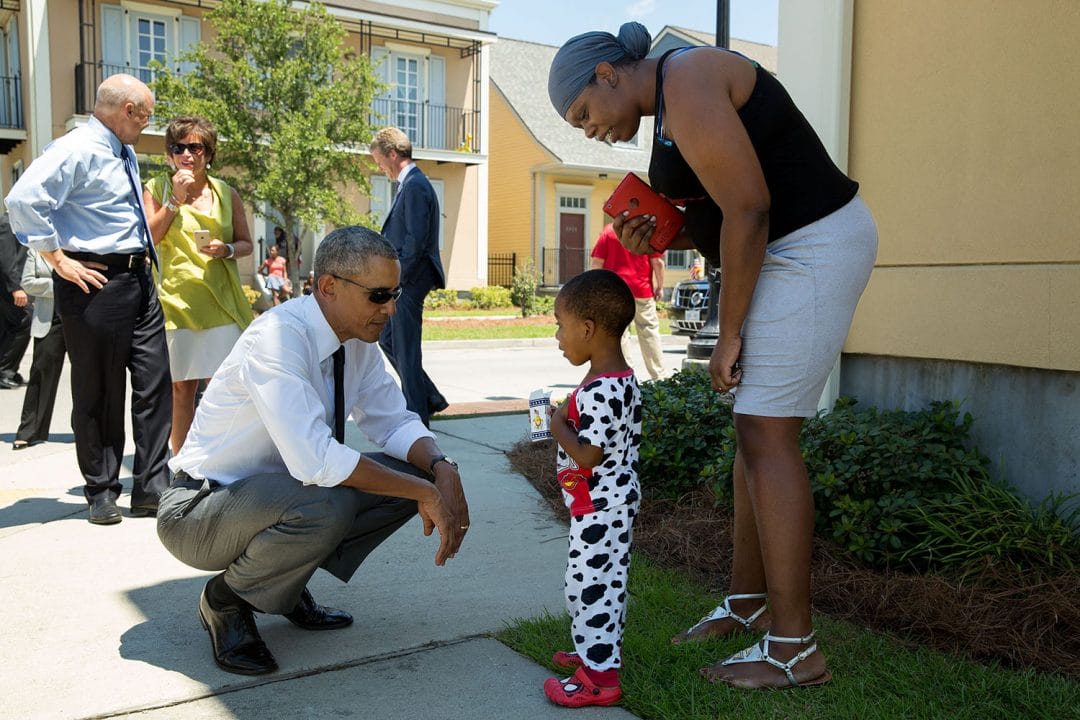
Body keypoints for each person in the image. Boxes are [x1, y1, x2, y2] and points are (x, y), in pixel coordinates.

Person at [549, 23, 878, 690]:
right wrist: (662, 231)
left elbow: (752, 209)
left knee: (767, 433)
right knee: (750, 433)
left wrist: (727, 335)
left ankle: (795, 651)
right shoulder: (671, 103)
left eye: (584, 112)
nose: (587, 129)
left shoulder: (689, 77)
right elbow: (725, 209)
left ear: (608, 73)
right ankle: (749, 601)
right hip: (786, 254)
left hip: (811, 248)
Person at [157, 225, 470, 676]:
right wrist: (425, 495)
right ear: (328, 287)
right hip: (198, 509)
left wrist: (441, 469)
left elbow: (394, 421)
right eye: (379, 295)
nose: (391, 308)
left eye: (395, 293)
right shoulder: (278, 338)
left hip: (276, 499)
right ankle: (225, 602)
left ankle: (282, 583)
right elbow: (316, 460)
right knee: (328, 500)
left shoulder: (355, 342)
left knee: (413, 477)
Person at [5, 73, 172, 525]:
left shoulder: (125, 151)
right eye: (147, 116)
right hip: (95, 281)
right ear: (127, 112)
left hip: (139, 279)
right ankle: (101, 490)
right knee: (98, 390)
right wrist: (57, 259)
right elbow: (22, 199)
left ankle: (152, 489)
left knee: (154, 384)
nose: (149, 124)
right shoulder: (75, 148)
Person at [545, 269, 641, 708]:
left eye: (561, 325)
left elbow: (588, 456)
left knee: (595, 589)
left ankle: (599, 680)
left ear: (587, 329)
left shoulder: (604, 388)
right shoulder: (613, 380)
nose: (558, 335)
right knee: (585, 584)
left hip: (602, 510)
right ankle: (590, 654)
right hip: (599, 507)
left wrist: (557, 425)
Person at [144, 116, 255, 454]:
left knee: (225, 389)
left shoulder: (226, 192)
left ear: (209, 153)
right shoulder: (156, 188)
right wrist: (174, 200)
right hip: (176, 302)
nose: (186, 154)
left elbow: (246, 243)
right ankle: (184, 465)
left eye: (195, 147)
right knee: (181, 390)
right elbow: (150, 238)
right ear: (169, 155)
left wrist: (227, 249)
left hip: (220, 302)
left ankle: (223, 457)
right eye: (178, 148)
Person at [369, 127, 448, 426]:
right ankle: (429, 397)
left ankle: (417, 420)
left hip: (410, 281)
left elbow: (415, 241)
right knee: (388, 339)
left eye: (379, 161)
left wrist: (395, 282)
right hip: (408, 279)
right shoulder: (411, 184)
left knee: (407, 351)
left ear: (392, 154)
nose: (379, 167)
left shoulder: (415, 185)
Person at [590, 222, 666, 380]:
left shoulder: (609, 232)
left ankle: (625, 377)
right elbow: (657, 262)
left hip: (615, 292)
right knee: (649, 332)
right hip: (642, 290)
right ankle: (659, 376)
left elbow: (597, 263)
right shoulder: (645, 232)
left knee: (621, 335)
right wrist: (660, 286)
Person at [13, 249, 66, 449]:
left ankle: (86, 432)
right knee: (40, 373)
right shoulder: (35, 251)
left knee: (86, 378)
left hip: (80, 319)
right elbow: (27, 282)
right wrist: (62, 284)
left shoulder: (79, 245)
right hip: (49, 320)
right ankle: (28, 431)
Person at [0, 211, 30, 389]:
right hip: (8, 287)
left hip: (11, 285)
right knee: (24, 321)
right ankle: (5, 370)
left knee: (7, 326)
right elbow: (6, 259)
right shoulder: (7, 223)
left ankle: (7, 369)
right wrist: (16, 288)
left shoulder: (18, 221)